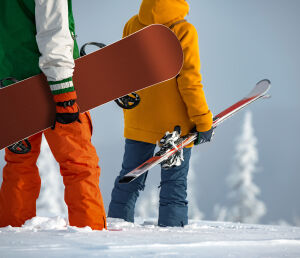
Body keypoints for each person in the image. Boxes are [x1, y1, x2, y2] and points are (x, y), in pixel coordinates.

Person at [0, 0, 106, 230]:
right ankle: (91, 235)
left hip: (10, 84)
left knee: (18, 164)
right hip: (50, 84)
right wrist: (64, 89)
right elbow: (53, 28)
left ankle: (11, 233)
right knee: (79, 163)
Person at [108, 0, 214, 227]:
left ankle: (115, 226)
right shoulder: (184, 30)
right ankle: (172, 237)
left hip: (138, 117)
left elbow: (124, 70)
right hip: (175, 127)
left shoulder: (133, 25)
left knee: (129, 178)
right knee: (174, 185)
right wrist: (203, 121)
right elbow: (190, 82)